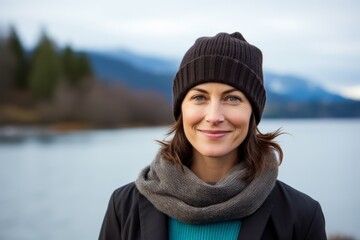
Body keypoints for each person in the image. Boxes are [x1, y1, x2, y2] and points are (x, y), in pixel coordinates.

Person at [98, 32, 327, 240]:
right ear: (181, 109)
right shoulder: (124, 208)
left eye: (232, 98)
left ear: (252, 113)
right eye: (199, 97)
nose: (214, 116)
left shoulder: (302, 217)